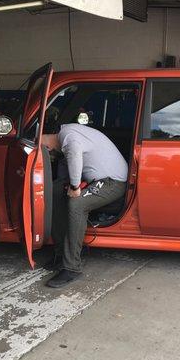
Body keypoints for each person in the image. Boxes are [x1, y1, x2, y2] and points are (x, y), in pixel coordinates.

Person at [41, 123, 128, 288]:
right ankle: (60, 254)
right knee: (56, 190)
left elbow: (74, 156)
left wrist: (74, 187)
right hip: (98, 179)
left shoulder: (68, 137)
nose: (52, 156)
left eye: (48, 154)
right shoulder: (66, 133)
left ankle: (72, 267)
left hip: (113, 181)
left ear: (47, 147)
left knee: (76, 204)